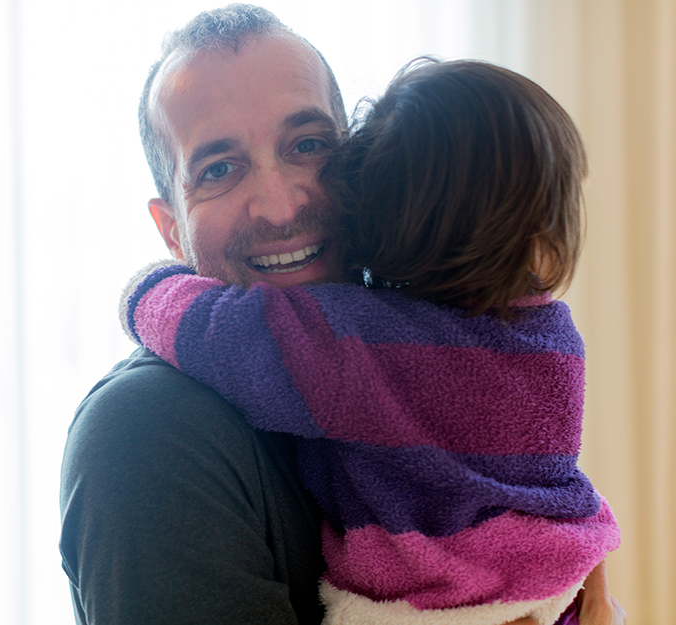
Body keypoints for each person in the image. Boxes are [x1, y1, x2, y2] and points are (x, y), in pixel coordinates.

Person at [59, 5, 626, 624]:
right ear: (170, 229)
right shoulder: (146, 432)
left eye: (308, 145)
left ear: (362, 166)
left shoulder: (409, 336)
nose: (277, 207)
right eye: (218, 169)